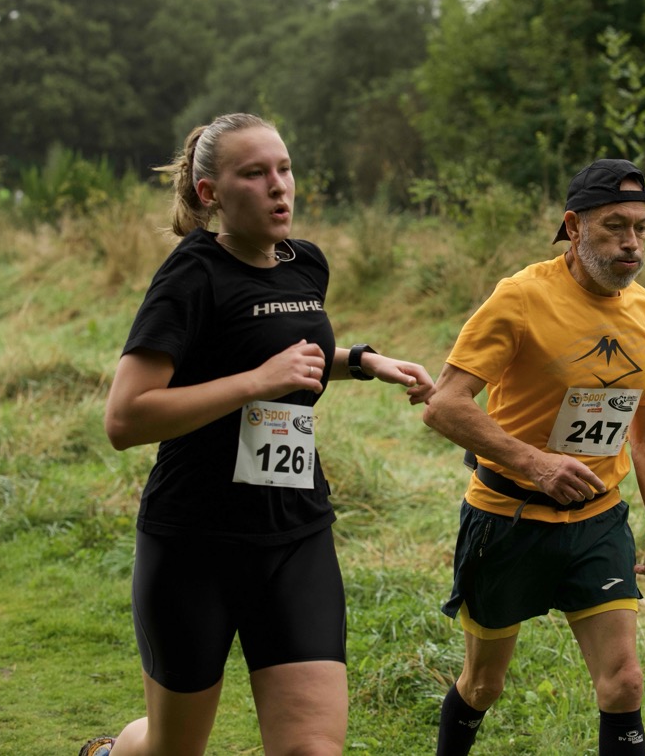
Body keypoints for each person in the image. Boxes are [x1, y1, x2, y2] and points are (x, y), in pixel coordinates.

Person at [77, 112, 434, 756]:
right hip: (195, 542)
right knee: (170, 749)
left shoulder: (306, 263)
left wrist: (363, 361)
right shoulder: (191, 276)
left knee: (312, 749)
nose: (279, 186)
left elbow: (282, 352)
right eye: (254, 173)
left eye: (285, 169)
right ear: (210, 192)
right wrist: (255, 382)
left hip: (295, 533)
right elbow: (125, 419)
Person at [422, 158, 645, 755]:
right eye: (615, 226)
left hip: (598, 520)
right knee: (484, 685)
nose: (632, 242)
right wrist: (535, 464)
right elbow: (444, 405)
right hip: (507, 519)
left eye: (641, 227)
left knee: (624, 682)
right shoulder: (520, 297)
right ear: (573, 226)